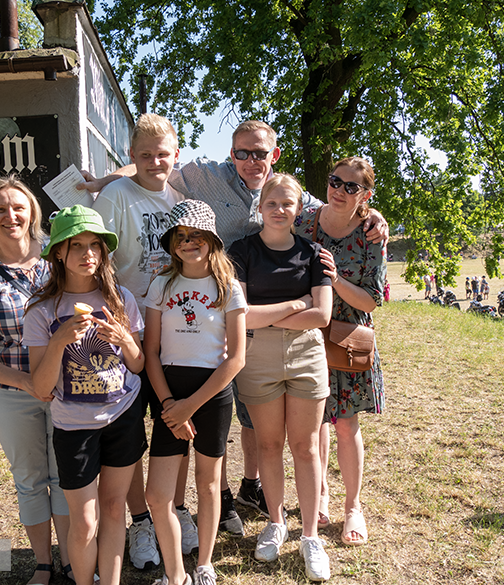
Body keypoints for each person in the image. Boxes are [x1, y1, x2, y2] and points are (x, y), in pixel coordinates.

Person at [81, 119, 389, 538]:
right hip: (203, 314)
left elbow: (338, 204)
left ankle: (281, 495)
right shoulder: (204, 176)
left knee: (273, 420)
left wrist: (371, 213)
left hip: (261, 321)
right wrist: (103, 179)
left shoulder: (288, 195)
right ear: (231, 154)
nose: (250, 160)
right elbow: (153, 163)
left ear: (273, 155)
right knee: (227, 417)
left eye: (259, 153)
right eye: (241, 153)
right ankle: (215, 498)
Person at [91, 113, 197, 569]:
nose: (156, 162)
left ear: (176, 156)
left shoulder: (181, 199)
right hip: (128, 334)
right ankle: (139, 521)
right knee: (129, 433)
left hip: (176, 332)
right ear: (131, 156)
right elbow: (98, 258)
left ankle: (176, 508)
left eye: (163, 154)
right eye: (146, 155)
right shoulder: (116, 195)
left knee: (177, 424)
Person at [23, 206, 147, 585]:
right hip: (74, 427)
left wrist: (125, 340)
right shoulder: (42, 311)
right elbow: (41, 388)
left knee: (114, 509)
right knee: (85, 523)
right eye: (76, 245)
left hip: (123, 416)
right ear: (58, 252)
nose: (87, 253)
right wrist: (59, 340)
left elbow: (138, 364)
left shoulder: (121, 298)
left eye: (95, 244)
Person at [0, 175, 71, 585]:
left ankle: (71, 559)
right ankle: (43, 563)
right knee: (30, 480)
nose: (11, 216)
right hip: (12, 393)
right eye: (0, 209)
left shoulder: (57, 259)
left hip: (65, 389)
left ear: (32, 213)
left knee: (65, 478)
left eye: (19, 207)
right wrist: (26, 382)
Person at [229, 173, 333, 582]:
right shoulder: (242, 251)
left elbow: (322, 315)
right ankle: (275, 522)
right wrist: (295, 303)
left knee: (305, 447)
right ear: (260, 206)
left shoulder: (314, 253)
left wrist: (270, 314)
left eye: (287, 203)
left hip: (307, 353)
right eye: (271, 203)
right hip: (258, 357)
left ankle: (310, 536)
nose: (278, 210)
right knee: (269, 444)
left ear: (298, 209)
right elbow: (242, 315)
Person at [143, 200, 247, 585]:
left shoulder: (228, 288)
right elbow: (151, 353)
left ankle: (204, 565)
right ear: (172, 243)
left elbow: (236, 359)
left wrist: (190, 406)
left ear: (212, 239)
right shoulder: (161, 285)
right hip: (169, 394)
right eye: (181, 236)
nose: (188, 242)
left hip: (211, 395)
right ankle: (176, 575)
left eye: (196, 235)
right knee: (158, 496)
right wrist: (171, 405)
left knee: (208, 484)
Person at [295, 157, 385, 549]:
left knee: (346, 425)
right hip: (306, 333)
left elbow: (372, 299)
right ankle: (320, 494)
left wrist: (334, 280)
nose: (340, 191)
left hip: (347, 338)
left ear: (365, 195)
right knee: (314, 422)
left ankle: (353, 506)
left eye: (352, 187)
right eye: (335, 181)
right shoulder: (304, 222)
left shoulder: (370, 235)